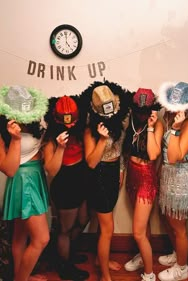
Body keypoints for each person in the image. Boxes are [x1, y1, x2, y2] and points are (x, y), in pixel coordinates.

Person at [81, 80, 130, 281]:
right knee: (108, 229)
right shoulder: (89, 130)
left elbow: (120, 151)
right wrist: (102, 139)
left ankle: (102, 260)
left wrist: (120, 172)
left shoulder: (120, 121)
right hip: (99, 175)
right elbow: (91, 162)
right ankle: (105, 275)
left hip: (113, 172)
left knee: (104, 227)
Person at [157, 82, 188, 281]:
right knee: (168, 222)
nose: (172, 108)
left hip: (180, 180)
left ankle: (182, 268)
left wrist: (176, 130)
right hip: (168, 177)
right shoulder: (169, 117)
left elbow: (176, 156)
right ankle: (178, 254)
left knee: (179, 228)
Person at [0, 85, 49, 281]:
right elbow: (9, 169)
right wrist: (15, 139)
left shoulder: (35, 121)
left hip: (36, 177)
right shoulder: (4, 133)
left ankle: (22, 276)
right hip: (23, 182)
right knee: (41, 238)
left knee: (20, 235)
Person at [43, 95, 89, 281]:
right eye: (65, 122)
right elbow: (51, 170)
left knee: (84, 219)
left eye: (73, 122)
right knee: (65, 229)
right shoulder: (51, 139)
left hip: (80, 178)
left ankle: (66, 252)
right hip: (64, 182)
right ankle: (65, 266)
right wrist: (60, 147)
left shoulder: (79, 132)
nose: (69, 126)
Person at [123, 88, 163, 281]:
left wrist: (150, 127)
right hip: (132, 173)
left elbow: (154, 154)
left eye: (144, 110)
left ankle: (149, 274)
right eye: (138, 110)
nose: (141, 114)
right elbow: (125, 149)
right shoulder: (130, 121)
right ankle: (142, 257)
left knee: (138, 232)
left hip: (146, 176)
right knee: (143, 225)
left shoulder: (157, 124)